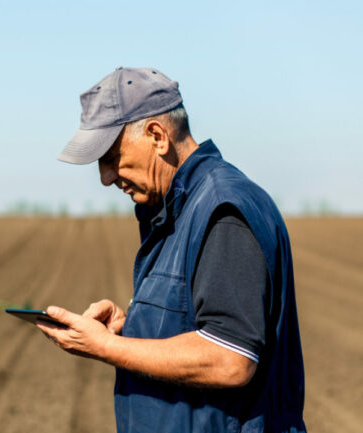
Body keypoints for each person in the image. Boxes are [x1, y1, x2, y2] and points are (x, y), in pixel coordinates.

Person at [36, 67, 306, 433]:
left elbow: (230, 359)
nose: (105, 177)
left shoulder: (221, 210)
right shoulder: (177, 210)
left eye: (111, 157)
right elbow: (193, 322)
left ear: (157, 136)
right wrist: (131, 326)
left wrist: (105, 348)